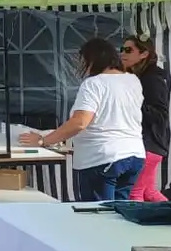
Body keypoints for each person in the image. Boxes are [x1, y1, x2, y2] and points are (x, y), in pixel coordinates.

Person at [21, 38, 144, 201]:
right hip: (134, 153)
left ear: (92, 59)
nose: (81, 66)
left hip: (101, 157)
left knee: (100, 215)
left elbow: (80, 122)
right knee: (121, 215)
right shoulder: (132, 80)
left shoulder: (94, 83)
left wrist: (44, 140)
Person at [120, 35, 170, 202]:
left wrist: (134, 102)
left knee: (135, 193)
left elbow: (160, 114)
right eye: (122, 49)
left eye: (128, 50)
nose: (123, 54)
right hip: (152, 143)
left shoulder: (151, 78)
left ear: (143, 54)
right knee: (149, 192)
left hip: (149, 143)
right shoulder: (142, 76)